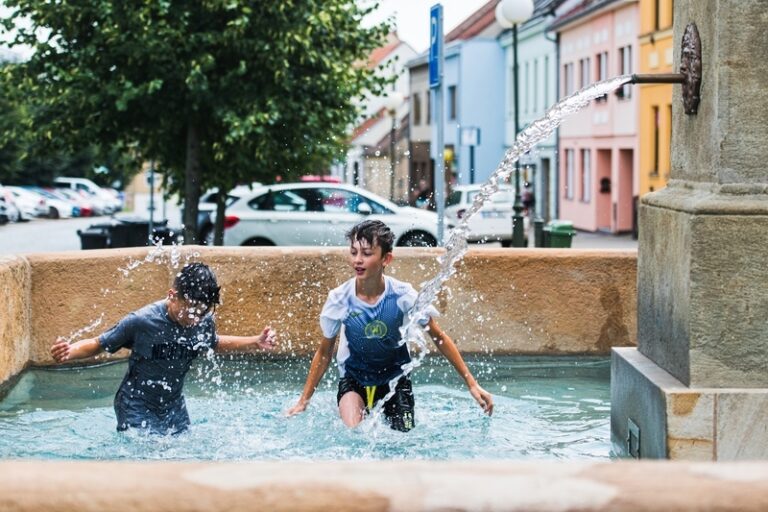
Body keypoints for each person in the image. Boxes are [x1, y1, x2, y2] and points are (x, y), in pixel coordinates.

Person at [286, 219, 493, 431]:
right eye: (353, 252)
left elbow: (438, 337)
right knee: (354, 434)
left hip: (396, 381)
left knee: (404, 439)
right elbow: (324, 353)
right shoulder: (340, 299)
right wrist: (303, 400)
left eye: (367, 254)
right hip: (354, 380)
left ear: (386, 259)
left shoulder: (403, 296)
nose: (358, 260)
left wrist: (472, 383)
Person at [50, 262, 277, 435]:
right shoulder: (142, 321)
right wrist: (70, 352)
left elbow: (213, 342)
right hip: (135, 406)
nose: (196, 319)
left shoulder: (203, 320)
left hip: (174, 406)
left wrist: (254, 341)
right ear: (172, 295)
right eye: (191, 311)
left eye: (202, 312)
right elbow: (99, 344)